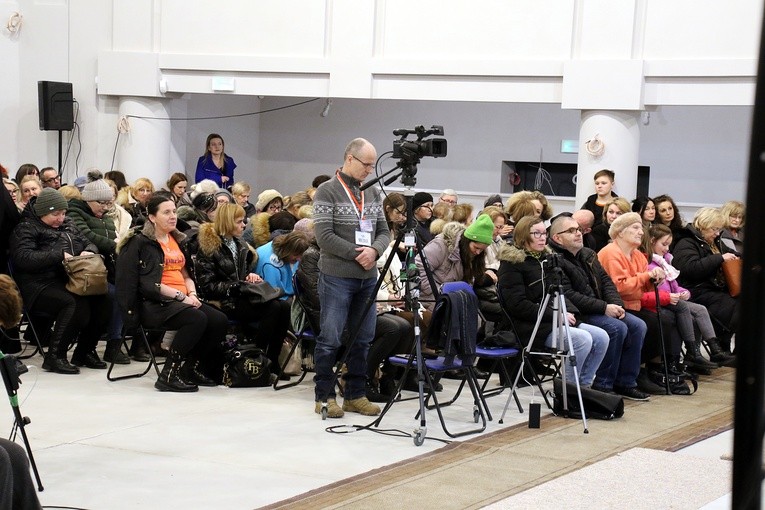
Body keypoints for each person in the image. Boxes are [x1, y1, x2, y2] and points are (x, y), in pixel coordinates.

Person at [311, 137, 390, 418]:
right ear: (349, 159)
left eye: (372, 165)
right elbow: (324, 236)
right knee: (330, 338)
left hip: (367, 277)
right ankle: (324, 396)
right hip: (337, 276)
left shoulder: (373, 193)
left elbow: (384, 231)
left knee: (363, 338)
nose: (369, 170)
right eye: (366, 164)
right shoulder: (327, 191)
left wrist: (375, 251)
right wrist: (358, 253)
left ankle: (355, 394)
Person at [116, 194, 228, 392]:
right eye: (166, 212)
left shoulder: (177, 239)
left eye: (174, 211)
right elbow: (149, 285)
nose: (173, 216)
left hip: (182, 300)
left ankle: (190, 368)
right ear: (152, 217)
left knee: (219, 320)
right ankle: (168, 374)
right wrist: (181, 297)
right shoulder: (141, 242)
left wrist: (192, 295)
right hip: (152, 303)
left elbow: (186, 274)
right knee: (196, 319)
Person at [496, 216, 609, 387]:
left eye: (544, 233)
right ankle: (567, 390)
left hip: (553, 319)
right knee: (582, 339)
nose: (542, 238)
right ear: (523, 236)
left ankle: (583, 387)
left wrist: (568, 312)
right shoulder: (512, 264)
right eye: (536, 233)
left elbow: (560, 291)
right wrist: (557, 315)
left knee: (601, 337)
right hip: (530, 326)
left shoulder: (547, 260)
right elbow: (518, 305)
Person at [10, 188, 110, 374]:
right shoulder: (26, 228)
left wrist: (89, 250)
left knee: (104, 300)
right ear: (42, 212)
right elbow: (23, 258)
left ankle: (85, 352)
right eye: (55, 214)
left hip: (70, 279)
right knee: (74, 304)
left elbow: (89, 242)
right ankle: (55, 356)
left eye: (63, 213)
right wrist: (58, 255)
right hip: (38, 284)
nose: (61, 218)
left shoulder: (69, 224)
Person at [548, 215, 648, 399]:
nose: (578, 234)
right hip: (580, 312)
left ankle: (626, 382)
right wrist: (604, 308)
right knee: (616, 328)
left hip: (601, 307)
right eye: (571, 231)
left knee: (638, 325)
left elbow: (606, 281)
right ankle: (603, 384)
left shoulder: (588, 254)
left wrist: (616, 304)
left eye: (578, 230)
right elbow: (568, 294)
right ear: (557, 238)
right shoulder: (555, 260)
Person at [194, 203, 292, 376]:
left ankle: (272, 359)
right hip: (222, 300)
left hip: (239, 295)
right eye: (239, 221)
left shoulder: (239, 243)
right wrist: (237, 284)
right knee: (273, 307)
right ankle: (257, 359)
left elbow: (240, 275)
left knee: (284, 306)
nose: (244, 225)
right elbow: (208, 287)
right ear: (227, 222)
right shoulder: (209, 247)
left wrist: (249, 277)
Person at [597, 213, 690, 392]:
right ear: (620, 232)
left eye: (641, 228)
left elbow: (642, 288)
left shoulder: (639, 255)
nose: (641, 232)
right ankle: (632, 376)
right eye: (635, 228)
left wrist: (655, 280)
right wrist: (646, 276)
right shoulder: (611, 253)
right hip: (616, 305)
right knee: (649, 323)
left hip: (635, 304)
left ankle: (652, 370)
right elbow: (620, 288)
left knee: (665, 320)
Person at [643, 223, 730, 370]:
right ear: (652, 241)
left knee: (700, 309)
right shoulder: (650, 263)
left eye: (668, 245)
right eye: (664, 244)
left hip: (673, 297)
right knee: (688, 313)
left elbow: (675, 285)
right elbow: (656, 289)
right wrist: (672, 295)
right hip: (662, 300)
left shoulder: (666, 261)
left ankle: (712, 349)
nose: (667, 248)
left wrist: (684, 292)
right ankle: (691, 353)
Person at [66, 170, 130, 364]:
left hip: (106, 268)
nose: (105, 207)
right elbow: (86, 236)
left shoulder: (105, 216)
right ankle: (108, 344)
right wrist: (117, 245)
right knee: (113, 296)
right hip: (84, 271)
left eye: (108, 203)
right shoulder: (74, 212)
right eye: (101, 203)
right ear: (88, 200)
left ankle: (116, 343)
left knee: (127, 291)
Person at [672, 207, 740, 362]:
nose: (717, 233)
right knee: (733, 306)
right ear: (703, 226)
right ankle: (722, 348)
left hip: (713, 288)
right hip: (696, 290)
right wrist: (719, 258)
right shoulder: (686, 242)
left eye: (719, 229)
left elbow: (733, 254)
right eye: (714, 229)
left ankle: (734, 351)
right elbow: (689, 269)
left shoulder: (714, 242)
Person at [415, 215, 495, 311]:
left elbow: (469, 282)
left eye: (482, 250)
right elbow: (418, 267)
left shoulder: (473, 255)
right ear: (467, 241)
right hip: (430, 299)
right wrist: (438, 292)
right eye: (476, 247)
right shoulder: (441, 245)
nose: (478, 252)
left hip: (452, 300)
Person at [254, 230, 311, 300]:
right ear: (288, 250)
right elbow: (272, 294)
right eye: (296, 255)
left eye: (301, 255)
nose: (299, 259)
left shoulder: (288, 253)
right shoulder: (269, 264)